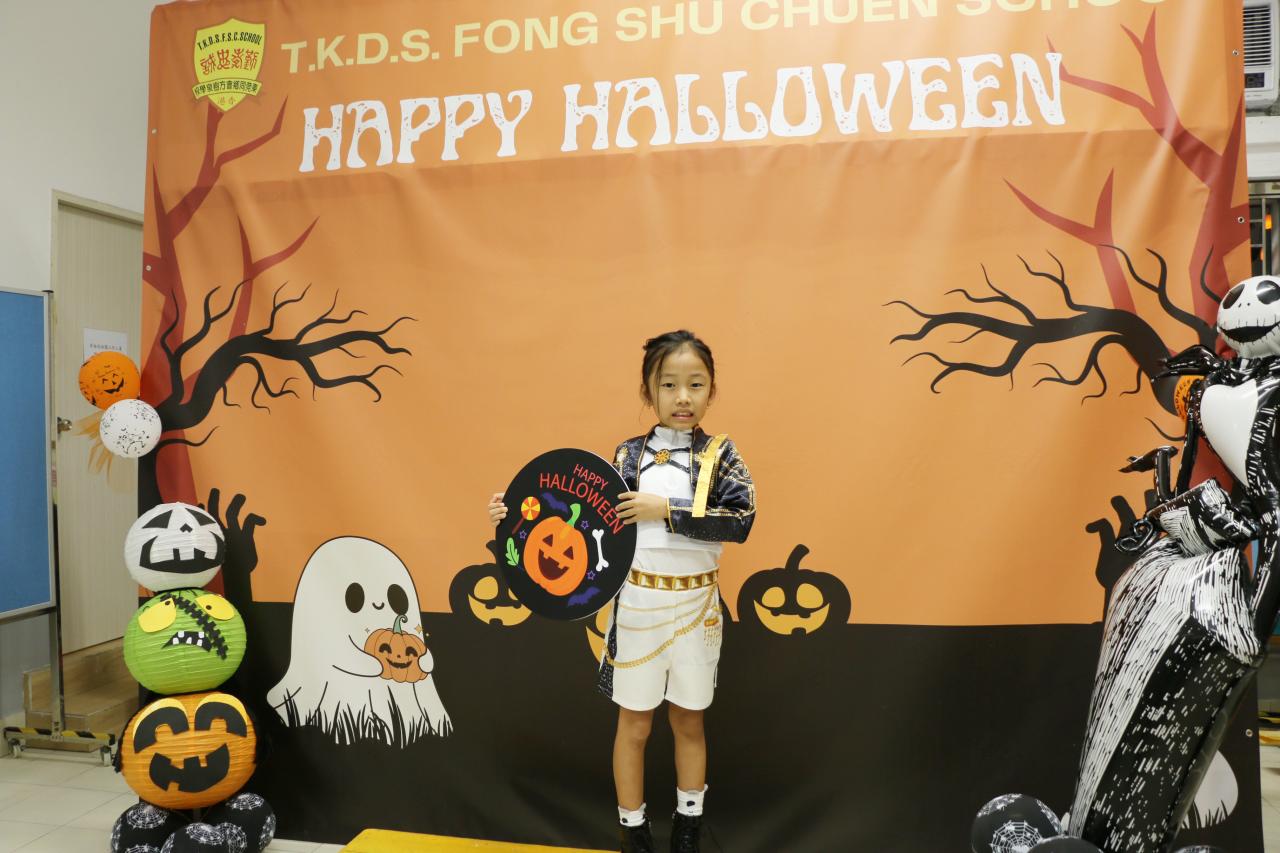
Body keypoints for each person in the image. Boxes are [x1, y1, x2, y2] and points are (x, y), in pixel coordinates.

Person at [488, 330, 755, 853]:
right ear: (648, 391)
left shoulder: (721, 456)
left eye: (695, 384)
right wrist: (514, 514)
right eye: (669, 384)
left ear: (712, 390)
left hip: (697, 607)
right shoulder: (627, 457)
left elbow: (741, 520)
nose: (682, 397)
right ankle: (633, 833)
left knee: (689, 720)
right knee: (633, 725)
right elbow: (580, 526)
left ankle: (687, 832)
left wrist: (667, 511)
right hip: (637, 607)